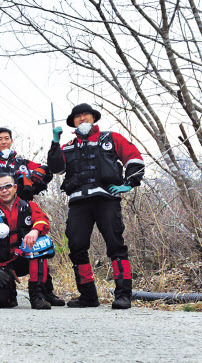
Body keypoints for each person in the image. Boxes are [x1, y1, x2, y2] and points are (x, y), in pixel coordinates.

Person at [47, 103, 144, 309]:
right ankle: (88, 297)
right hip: (79, 203)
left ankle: (123, 295)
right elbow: (56, 168)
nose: (82, 119)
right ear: (73, 122)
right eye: (78, 117)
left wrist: (128, 183)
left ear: (93, 118)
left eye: (86, 115)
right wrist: (55, 142)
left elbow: (134, 158)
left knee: (116, 245)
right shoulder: (68, 146)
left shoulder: (111, 138)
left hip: (106, 199)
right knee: (76, 246)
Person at [0, 173, 63, 309]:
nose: (4, 190)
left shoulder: (29, 206)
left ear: (15, 187)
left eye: (8, 186)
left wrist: (35, 230)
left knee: (40, 246)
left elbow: (43, 221)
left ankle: (39, 295)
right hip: (1, 264)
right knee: (0, 303)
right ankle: (10, 293)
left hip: (25, 259)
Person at [0, 127, 53, 202]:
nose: (3, 142)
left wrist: (39, 176)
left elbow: (45, 173)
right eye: (0, 139)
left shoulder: (23, 163)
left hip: (22, 206)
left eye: (6, 138)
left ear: (11, 141)